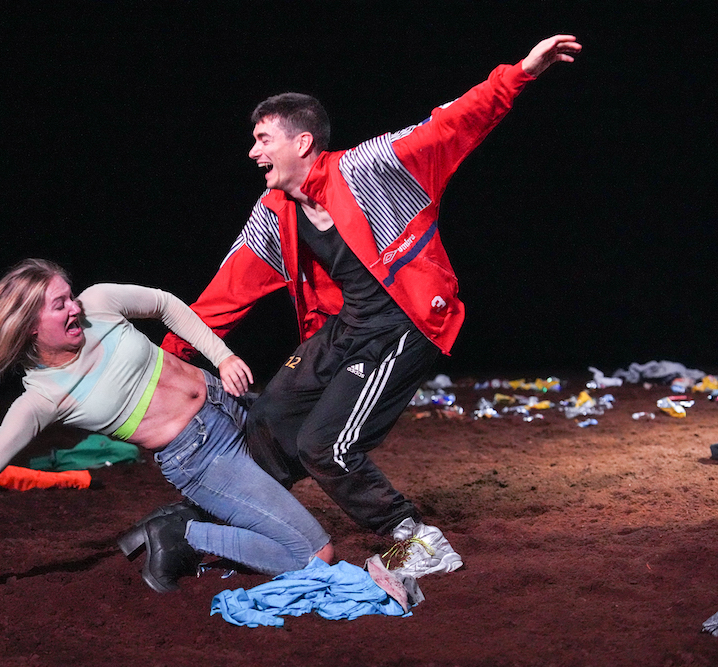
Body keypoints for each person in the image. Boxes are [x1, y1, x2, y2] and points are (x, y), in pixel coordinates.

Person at [160, 36, 582, 577]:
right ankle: (231, 524)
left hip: (403, 324)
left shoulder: (371, 168)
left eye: (263, 139)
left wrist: (522, 71)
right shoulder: (274, 214)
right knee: (268, 418)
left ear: (303, 142)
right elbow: (224, 295)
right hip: (345, 328)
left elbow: (451, 124)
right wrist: (165, 363)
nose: (253, 152)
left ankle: (416, 538)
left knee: (323, 446)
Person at [0, 259, 333, 593]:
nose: (74, 308)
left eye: (69, 296)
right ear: (31, 325)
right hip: (203, 458)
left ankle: (190, 523)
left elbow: (163, 304)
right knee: (315, 554)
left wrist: (221, 356)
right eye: (60, 305)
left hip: (231, 400)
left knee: (323, 444)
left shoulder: (99, 304)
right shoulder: (41, 399)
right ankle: (185, 535)